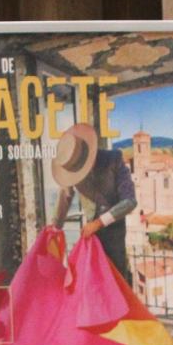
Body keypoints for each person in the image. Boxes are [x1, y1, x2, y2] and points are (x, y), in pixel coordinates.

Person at [50, 121, 136, 282]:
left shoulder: (114, 159)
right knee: (92, 285)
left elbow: (130, 201)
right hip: (91, 237)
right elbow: (66, 195)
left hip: (114, 236)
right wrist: (55, 228)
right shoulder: (72, 168)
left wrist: (98, 223)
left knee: (117, 283)